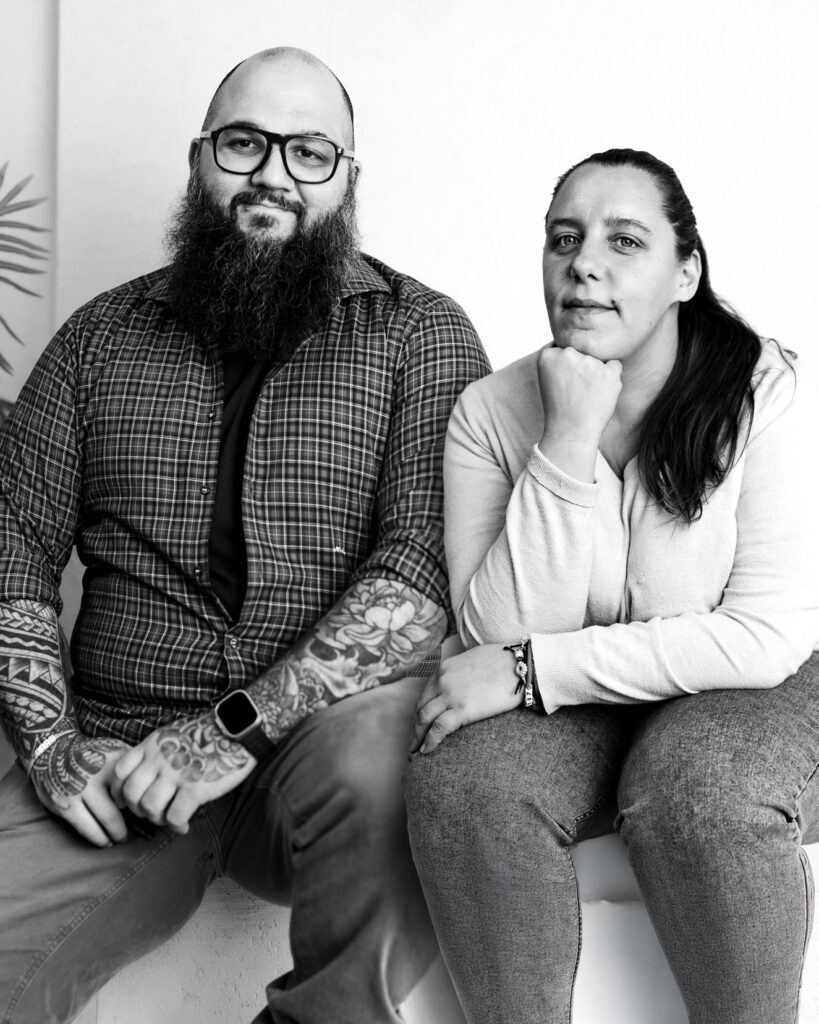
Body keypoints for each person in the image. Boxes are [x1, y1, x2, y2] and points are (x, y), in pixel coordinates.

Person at [0, 47, 489, 1024]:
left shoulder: (422, 335)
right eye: (243, 143)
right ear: (200, 159)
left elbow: (420, 575)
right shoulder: (96, 339)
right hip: (120, 754)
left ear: (347, 179)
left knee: (395, 751)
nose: (273, 173)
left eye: (309, 152)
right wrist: (51, 744)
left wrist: (231, 732)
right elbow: (14, 542)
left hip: (317, 749)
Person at [405, 148, 819, 1024]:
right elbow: (493, 632)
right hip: (586, 703)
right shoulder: (490, 412)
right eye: (564, 239)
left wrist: (532, 670)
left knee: (696, 789)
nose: (583, 263)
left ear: (685, 273)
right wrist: (565, 440)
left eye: (624, 241)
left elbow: (763, 637)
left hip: (758, 684)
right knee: (462, 786)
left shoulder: (765, 393)